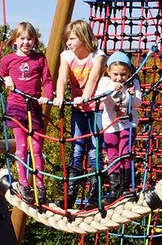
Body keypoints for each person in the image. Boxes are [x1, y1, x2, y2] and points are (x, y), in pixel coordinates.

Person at [53, 20, 106, 209]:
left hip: (96, 108)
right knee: (76, 149)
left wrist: (85, 97)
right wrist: (60, 96)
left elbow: (92, 79)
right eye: (66, 39)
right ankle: (70, 194)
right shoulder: (66, 56)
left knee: (94, 150)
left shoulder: (97, 56)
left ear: (83, 38)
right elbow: (61, 78)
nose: (68, 42)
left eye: (72, 38)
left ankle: (94, 195)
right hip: (78, 108)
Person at [0, 22, 53, 204]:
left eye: (30, 38)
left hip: (35, 107)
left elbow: (47, 80)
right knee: (22, 147)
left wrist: (48, 95)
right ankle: (24, 183)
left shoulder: (40, 58)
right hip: (16, 106)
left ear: (35, 41)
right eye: (22, 38)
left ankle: (40, 184)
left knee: (37, 148)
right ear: (15, 40)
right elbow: (1, 75)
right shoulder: (8, 59)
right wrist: (6, 78)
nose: (26, 42)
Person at [95, 51, 142, 205]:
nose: (119, 78)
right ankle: (115, 188)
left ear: (128, 72)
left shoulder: (133, 82)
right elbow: (100, 97)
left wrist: (130, 95)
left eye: (123, 74)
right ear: (109, 71)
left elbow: (138, 103)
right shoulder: (105, 82)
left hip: (128, 123)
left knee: (125, 152)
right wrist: (112, 89)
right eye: (115, 74)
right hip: (110, 123)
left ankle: (126, 186)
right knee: (112, 154)